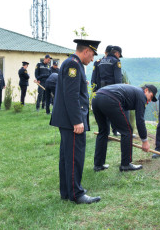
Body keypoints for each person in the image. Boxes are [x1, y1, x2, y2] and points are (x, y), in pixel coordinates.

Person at [50, 39, 101, 204]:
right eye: (92, 54)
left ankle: (67, 191)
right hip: (71, 121)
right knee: (74, 157)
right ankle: (76, 194)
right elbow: (71, 96)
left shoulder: (71, 63)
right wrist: (77, 121)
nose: (92, 59)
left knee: (66, 157)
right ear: (86, 51)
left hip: (66, 119)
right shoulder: (73, 65)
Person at [92, 84, 157, 171]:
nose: (149, 100)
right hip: (110, 99)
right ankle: (126, 164)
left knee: (103, 131)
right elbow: (140, 120)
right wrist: (144, 141)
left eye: (151, 100)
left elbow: (121, 113)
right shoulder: (141, 95)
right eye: (151, 96)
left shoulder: (133, 92)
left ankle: (98, 165)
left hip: (96, 97)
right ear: (146, 90)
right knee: (127, 131)